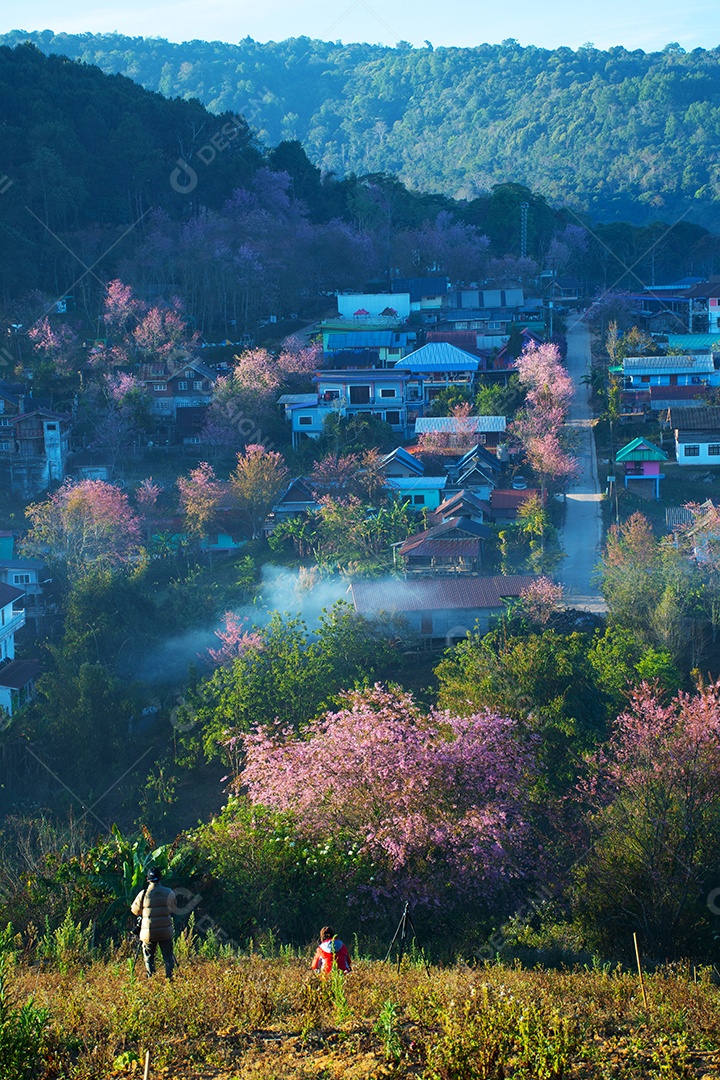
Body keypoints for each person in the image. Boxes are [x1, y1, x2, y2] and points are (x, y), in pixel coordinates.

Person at [131, 868, 178, 978]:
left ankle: (152, 978)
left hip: (149, 933)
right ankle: (169, 979)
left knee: (149, 957)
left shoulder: (143, 894)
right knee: (168, 957)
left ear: (148, 879)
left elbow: (135, 910)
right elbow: (174, 908)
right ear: (160, 878)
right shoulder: (169, 892)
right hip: (165, 932)